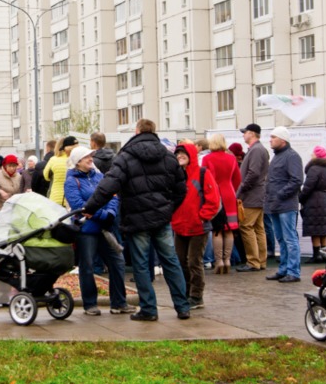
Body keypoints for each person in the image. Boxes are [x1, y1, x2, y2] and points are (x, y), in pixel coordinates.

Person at [83, 119, 191, 322]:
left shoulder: (125, 157)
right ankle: (183, 307)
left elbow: (108, 185)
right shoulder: (168, 157)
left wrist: (90, 207)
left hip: (136, 218)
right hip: (161, 219)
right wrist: (168, 209)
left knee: (141, 264)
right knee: (171, 261)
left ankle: (149, 309)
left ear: (137, 131)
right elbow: (181, 189)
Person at [65, 146, 134, 316]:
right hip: (86, 231)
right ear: (78, 161)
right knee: (87, 267)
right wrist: (103, 214)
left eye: (91, 156)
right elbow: (78, 206)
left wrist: (109, 213)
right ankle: (90, 304)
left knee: (117, 262)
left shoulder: (99, 176)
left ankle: (119, 303)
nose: (91, 159)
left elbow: (112, 196)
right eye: (87, 157)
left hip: (104, 228)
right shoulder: (72, 181)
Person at [171, 143, 221, 309]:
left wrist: (202, 217)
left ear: (191, 155)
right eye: (177, 154)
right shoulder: (175, 176)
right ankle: (186, 292)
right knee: (180, 261)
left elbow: (213, 199)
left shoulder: (202, 173)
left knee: (194, 262)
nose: (180, 156)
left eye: (183, 154)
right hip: (180, 226)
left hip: (198, 227)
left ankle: (196, 295)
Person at [264, 126, 304, 283]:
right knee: (281, 239)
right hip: (274, 204)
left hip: (286, 205)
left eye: (273, 137)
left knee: (289, 238)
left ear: (282, 140)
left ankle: (293, 271)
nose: (270, 140)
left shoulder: (292, 156)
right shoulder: (277, 156)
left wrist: (279, 195)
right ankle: (284, 269)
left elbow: (296, 180)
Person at [202, 133, 241, 274]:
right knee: (229, 229)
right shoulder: (231, 159)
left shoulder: (207, 158)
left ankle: (218, 261)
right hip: (229, 194)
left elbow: (205, 178)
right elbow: (237, 179)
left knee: (217, 229)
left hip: (215, 195)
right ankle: (227, 260)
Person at [235, 123, 270, 273]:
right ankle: (260, 261)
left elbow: (253, 173)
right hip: (257, 194)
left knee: (247, 226)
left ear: (252, 133)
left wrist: (241, 190)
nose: (243, 135)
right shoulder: (259, 149)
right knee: (258, 228)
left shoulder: (256, 150)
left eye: (245, 132)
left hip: (252, 195)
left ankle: (253, 261)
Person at [300, 146, 326, 263]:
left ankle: (316, 254)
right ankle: (324, 254)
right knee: (323, 229)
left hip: (314, 200)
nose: (311, 155)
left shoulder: (314, 169)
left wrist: (301, 198)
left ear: (316, 156)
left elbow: (308, 186)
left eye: (313, 153)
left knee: (315, 229)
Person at [44, 136, 78, 207]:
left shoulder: (53, 160)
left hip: (55, 198)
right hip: (72, 198)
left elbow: (46, 176)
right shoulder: (76, 160)